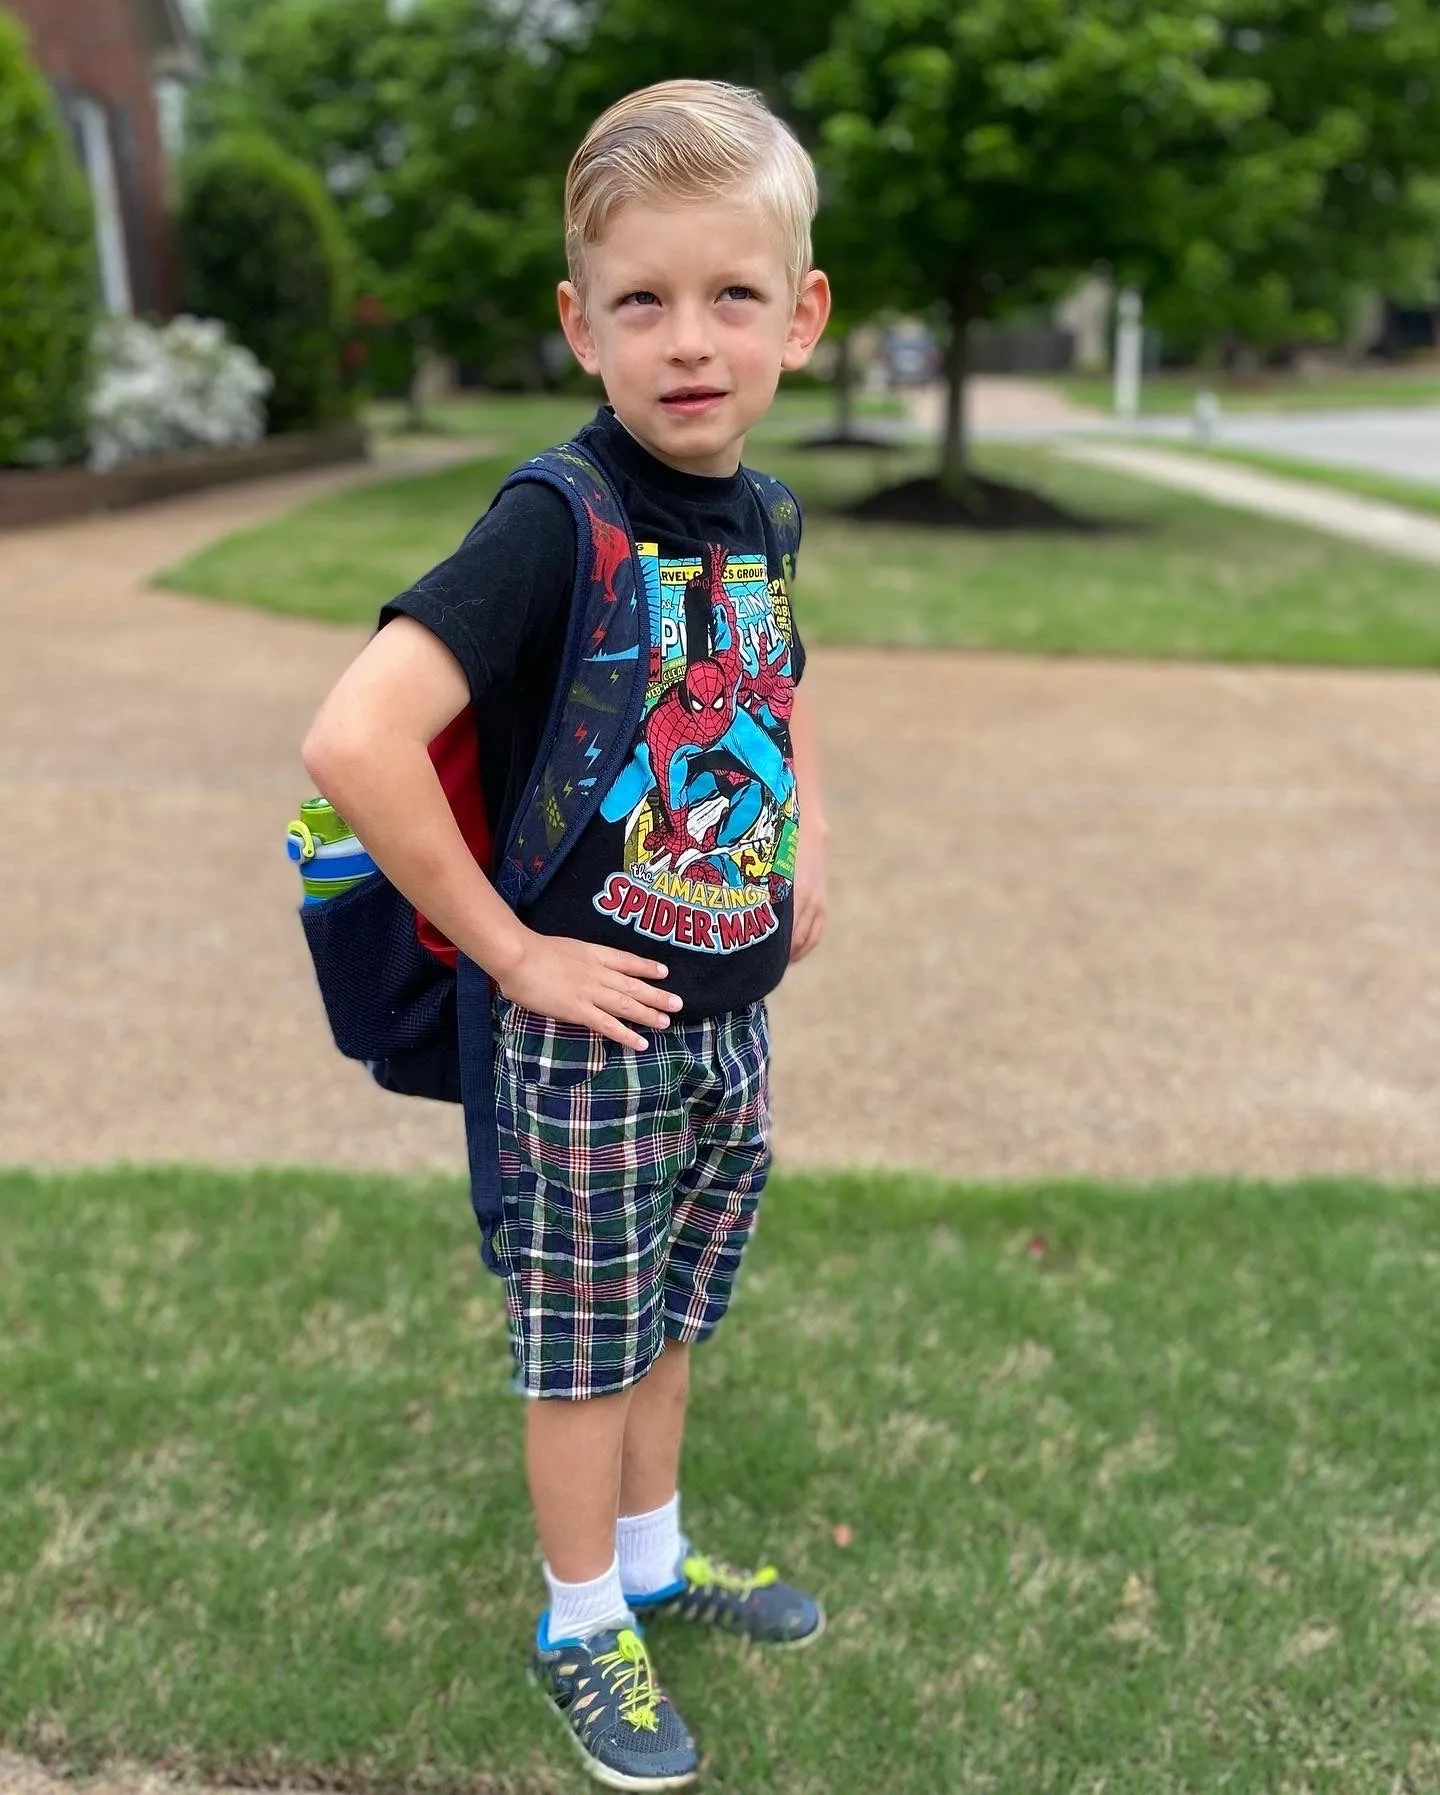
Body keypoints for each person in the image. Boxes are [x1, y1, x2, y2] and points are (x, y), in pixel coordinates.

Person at [302, 77, 832, 1790]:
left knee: (671, 1318)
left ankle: (659, 1565)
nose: (691, 340)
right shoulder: (558, 518)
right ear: (578, 324)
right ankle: (576, 1613)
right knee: (581, 1345)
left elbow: (782, 670)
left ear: (801, 317)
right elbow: (357, 737)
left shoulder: (757, 513)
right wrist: (514, 955)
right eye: (642, 302)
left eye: (731, 295)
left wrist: (807, 833)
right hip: (582, 1041)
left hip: (724, 1021)